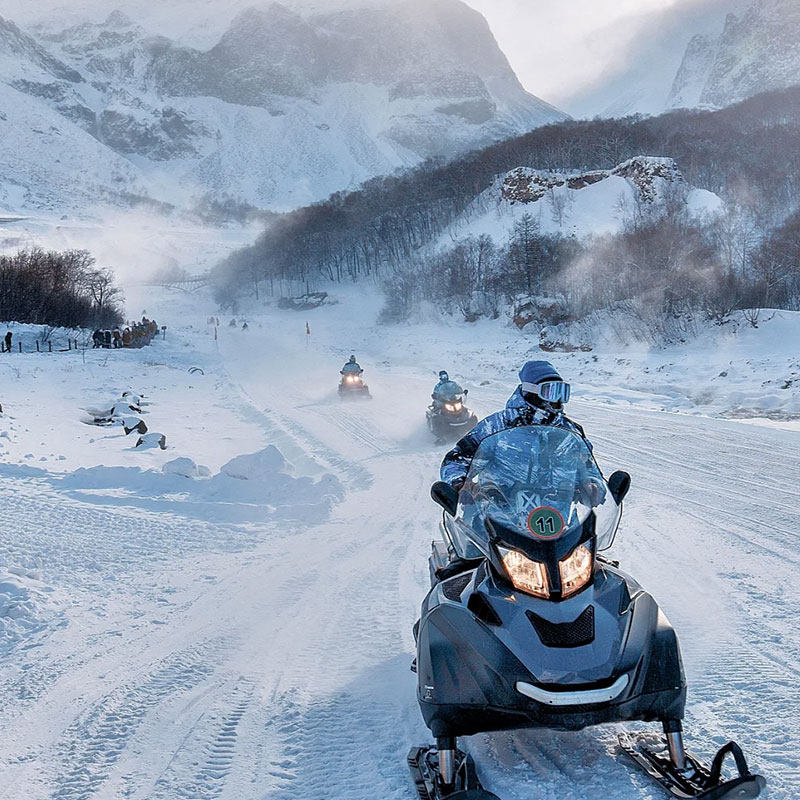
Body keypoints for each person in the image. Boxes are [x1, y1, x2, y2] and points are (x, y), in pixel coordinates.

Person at [440, 360, 590, 492]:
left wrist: (592, 486)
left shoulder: (571, 432)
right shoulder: (497, 426)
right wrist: (459, 483)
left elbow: (588, 467)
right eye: (550, 391)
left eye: (562, 392)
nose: (557, 400)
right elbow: (457, 459)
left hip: (556, 520)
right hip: (495, 517)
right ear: (531, 391)